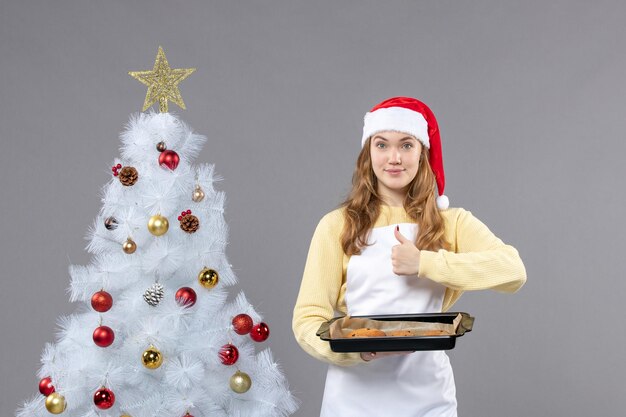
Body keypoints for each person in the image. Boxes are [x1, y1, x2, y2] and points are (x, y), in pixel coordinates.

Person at [292, 96, 527, 417]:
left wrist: (425, 263)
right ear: (367, 153)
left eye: (406, 145)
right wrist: (359, 351)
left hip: (428, 397)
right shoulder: (338, 225)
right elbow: (307, 320)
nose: (394, 158)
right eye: (381, 145)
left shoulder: (451, 222)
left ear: (422, 154)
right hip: (353, 398)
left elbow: (513, 270)